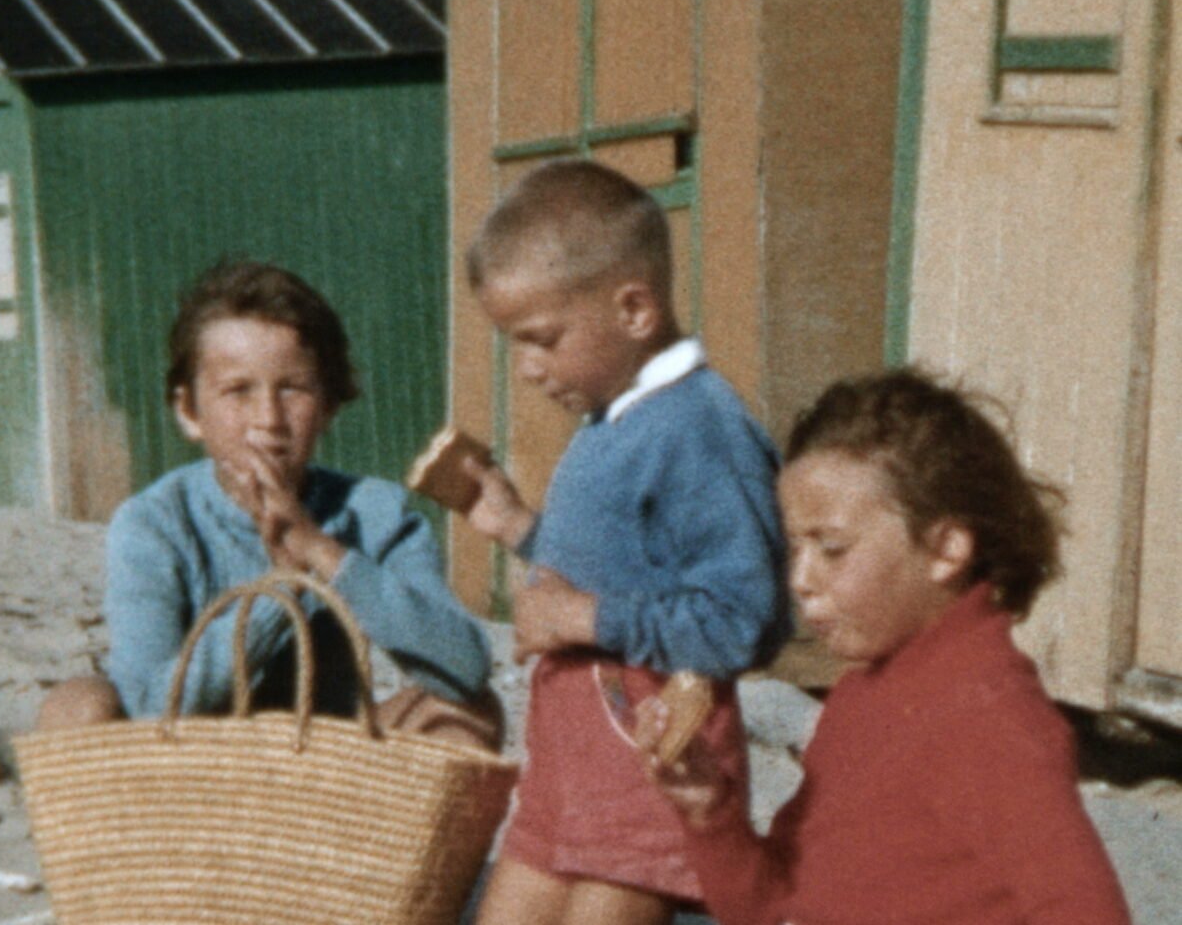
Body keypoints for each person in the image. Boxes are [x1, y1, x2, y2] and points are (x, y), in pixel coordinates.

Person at [638, 367, 1134, 925]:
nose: (800, 579)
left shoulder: (988, 718)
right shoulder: (864, 695)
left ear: (945, 550)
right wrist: (712, 815)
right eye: (794, 549)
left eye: (832, 549)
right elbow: (772, 906)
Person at [460, 159, 793, 924]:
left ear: (635, 310)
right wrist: (518, 527)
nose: (530, 369)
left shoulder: (699, 427)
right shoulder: (619, 418)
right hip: (571, 769)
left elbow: (744, 617)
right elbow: (628, 565)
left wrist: (583, 622)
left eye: (542, 340)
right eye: (516, 344)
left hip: (652, 764)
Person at [37, 259, 502, 751]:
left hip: (317, 760)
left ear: (328, 406)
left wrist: (320, 551)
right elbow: (149, 709)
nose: (269, 419)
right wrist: (277, 592)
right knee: (76, 707)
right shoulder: (155, 522)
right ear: (189, 411)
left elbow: (465, 668)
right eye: (238, 391)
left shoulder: (374, 511)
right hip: (184, 766)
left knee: (469, 715)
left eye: (293, 389)